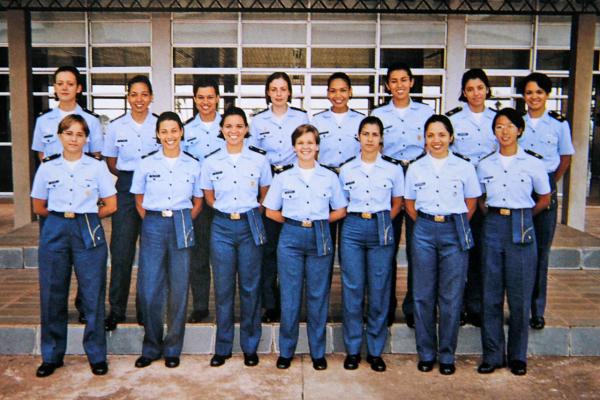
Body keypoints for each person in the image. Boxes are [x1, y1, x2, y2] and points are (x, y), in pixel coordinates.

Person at [31, 114, 116, 377]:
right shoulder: (47, 167)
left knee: (93, 295)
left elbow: (111, 204)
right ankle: (52, 355)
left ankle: (97, 355)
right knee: (52, 294)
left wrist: (86, 217)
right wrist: (64, 219)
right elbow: (38, 206)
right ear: (59, 136)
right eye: (69, 133)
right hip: (55, 228)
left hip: (87, 228)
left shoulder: (97, 167)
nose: (74, 139)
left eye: (79, 134)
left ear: (87, 139)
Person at [263, 124, 347, 371]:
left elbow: (340, 209)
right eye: (301, 143)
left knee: (318, 296)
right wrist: (294, 222)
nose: (306, 147)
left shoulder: (329, 177)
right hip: (290, 237)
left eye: (310, 142)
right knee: (289, 296)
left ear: (317, 146)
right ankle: (286, 351)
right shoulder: (284, 177)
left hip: (320, 234)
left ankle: (317, 352)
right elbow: (270, 211)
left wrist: (319, 222)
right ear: (294, 147)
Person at [404, 114, 481, 375]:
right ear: (423, 139)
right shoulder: (415, 168)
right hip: (424, 229)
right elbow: (410, 205)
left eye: (441, 135)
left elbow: (471, 202)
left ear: (451, 137)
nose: (436, 140)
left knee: (451, 295)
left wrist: (450, 222)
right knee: (423, 294)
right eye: (430, 135)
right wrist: (431, 222)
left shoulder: (464, 167)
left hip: (455, 230)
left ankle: (447, 354)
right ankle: (426, 352)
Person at [477, 108, 551, 376]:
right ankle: (493, 354)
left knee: (519, 296)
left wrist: (523, 217)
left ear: (519, 130)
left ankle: (518, 356)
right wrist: (498, 216)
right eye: (498, 126)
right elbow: (480, 199)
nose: (504, 131)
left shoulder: (533, 164)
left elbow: (544, 198)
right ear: (493, 132)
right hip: (493, 224)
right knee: (491, 294)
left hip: (521, 224)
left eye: (509, 126)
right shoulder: (485, 164)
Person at [32, 65, 105, 324]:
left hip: (83, 200)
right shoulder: (43, 121)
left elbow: (96, 156)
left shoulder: (92, 121)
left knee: (88, 267)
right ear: (55, 87)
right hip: (56, 204)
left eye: (70, 83)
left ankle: (85, 307)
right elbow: (43, 158)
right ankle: (56, 317)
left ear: (79, 88)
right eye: (60, 83)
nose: (64, 87)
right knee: (55, 268)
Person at [131, 112, 203, 369]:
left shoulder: (193, 164)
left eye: (174, 131)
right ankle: (151, 346)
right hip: (153, 224)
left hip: (182, 221)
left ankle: (173, 347)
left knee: (179, 287)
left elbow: (198, 201)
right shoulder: (146, 163)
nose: (170, 136)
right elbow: (138, 198)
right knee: (150, 289)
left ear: (181, 132)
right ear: (158, 135)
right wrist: (154, 219)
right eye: (165, 131)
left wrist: (182, 220)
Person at [201, 107, 272, 367]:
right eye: (228, 126)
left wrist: (252, 211)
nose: (233, 131)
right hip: (221, 226)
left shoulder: (259, 160)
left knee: (250, 287)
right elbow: (208, 196)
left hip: (249, 224)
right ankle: (223, 347)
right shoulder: (210, 161)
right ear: (222, 130)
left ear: (246, 129)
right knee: (223, 287)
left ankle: (250, 346)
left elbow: (265, 192)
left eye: (239, 126)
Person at [338, 116, 403, 372]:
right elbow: (341, 202)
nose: (369, 139)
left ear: (381, 139)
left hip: (381, 226)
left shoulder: (393, 169)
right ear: (358, 137)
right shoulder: (346, 169)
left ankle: (375, 351)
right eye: (365, 134)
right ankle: (353, 349)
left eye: (375, 134)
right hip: (353, 227)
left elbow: (397, 202)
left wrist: (385, 222)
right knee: (352, 289)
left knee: (379, 287)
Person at [371, 63, 434, 327]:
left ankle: (412, 307)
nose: (399, 85)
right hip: (390, 179)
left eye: (404, 80)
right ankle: (385, 307)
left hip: (419, 178)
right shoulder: (379, 114)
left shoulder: (426, 112)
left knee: (418, 249)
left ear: (412, 83)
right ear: (387, 86)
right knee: (387, 246)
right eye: (394, 81)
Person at [248, 72, 310, 323]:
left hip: (295, 181)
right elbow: (253, 153)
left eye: (283, 88)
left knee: (293, 245)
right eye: (273, 89)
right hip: (269, 182)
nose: (278, 93)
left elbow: (307, 148)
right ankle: (270, 304)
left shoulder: (301, 117)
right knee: (269, 247)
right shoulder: (259, 121)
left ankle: (292, 301)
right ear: (267, 92)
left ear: (289, 92)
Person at [518, 72, 575, 330]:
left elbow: (565, 158)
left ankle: (536, 310)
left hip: (545, 190)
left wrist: (548, 186)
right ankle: (516, 306)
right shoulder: (515, 122)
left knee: (541, 252)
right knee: (516, 251)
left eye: (539, 92)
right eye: (529, 92)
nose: (534, 97)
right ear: (523, 96)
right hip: (518, 189)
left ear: (547, 95)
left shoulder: (559, 124)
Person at [103, 75, 158, 331]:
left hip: (154, 190)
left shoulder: (159, 125)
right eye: (134, 94)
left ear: (151, 97)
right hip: (125, 190)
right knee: (122, 252)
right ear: (128, 97)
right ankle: (116, 309)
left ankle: (145, 309)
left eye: (144, 94)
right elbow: (111, 161)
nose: (139, 99)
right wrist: (130, 178)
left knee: (150, 253)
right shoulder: (116, 126)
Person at [446, 68, 498, 327]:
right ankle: (457, 306)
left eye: (480, 87)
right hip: (462, 197)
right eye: (470, 89)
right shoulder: (453, 120)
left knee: (483, 255)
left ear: (487, 89)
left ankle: (478, 306)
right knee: (458, 253)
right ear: (463, 93)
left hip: (490, 197)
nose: (475, 93)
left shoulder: (499, 119)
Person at [312, 72, 363, 273]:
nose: (338, 95)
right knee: (325, 242)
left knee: (350, 245)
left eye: (343, 90)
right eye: (333, 91)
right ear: (327, 94)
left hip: (353, 184)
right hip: (326, 183)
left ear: (350, 92)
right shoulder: (317, 120)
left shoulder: (360, 120)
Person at [183, 77, 225, 323]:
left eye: (210, 97)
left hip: (225, 201)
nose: (206, 102)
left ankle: (224, 304)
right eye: (201, 97)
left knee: (224, 256)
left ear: (218, 98)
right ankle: (200, 306)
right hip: (199, 200)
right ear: (195, 100)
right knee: (198, 255)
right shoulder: (187, 130)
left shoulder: (230, 126)